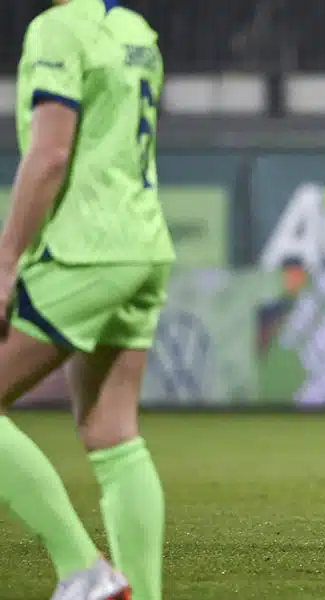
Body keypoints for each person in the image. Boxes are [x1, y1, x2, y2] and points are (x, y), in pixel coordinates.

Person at [0, 0, 171, 597]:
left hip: (86, 249)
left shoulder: (57, 28)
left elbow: (50, 155)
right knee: (113, 434)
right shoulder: (135, 31)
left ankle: (83, 567)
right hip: (144, 246)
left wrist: (6, 256)